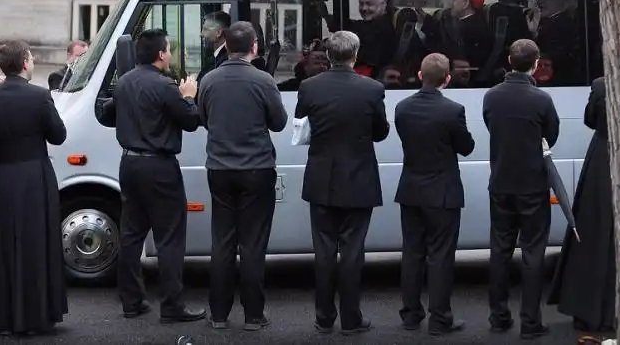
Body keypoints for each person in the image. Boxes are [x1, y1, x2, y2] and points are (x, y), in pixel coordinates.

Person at [99, 28, 206, 324]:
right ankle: (172, 306)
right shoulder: (165, 86)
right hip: (159, 167)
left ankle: (132, 301)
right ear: (161, 55)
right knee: (170, 237)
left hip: (129, 164)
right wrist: (188, 96)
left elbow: (107, 115)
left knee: (132, 235)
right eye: (169, 49)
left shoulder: (124, 83)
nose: (170, 53)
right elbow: (190, 121)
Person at [294, 30, 390, 335]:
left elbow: (301, 125)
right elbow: (380, 132)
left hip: (321, 178)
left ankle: (324, 318)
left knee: (323, 252)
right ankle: (351, 319)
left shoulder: (309, 87)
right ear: (355, 55)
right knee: (352, 252)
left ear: (328, 55)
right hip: (359, 179)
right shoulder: (372, 89)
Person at [197, 21, 288, 331]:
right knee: (252, 244)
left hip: (219, 169)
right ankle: (253, 315)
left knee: (222, 242)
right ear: (253, 47)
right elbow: (278, 123)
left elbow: (203, 119)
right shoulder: (263, 81)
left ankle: (219, 314)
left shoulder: (209, 79)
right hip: (256, 169)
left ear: (227, 44)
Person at [0, 40, 68, 335]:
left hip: (5, 175)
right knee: (37, 243)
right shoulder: (39, 95)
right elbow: (58, 136)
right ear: (25, 63)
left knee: (4, 245)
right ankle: (36, 315)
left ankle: (4, 316)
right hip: (35, 175)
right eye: (30, 57)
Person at [482, 38, 559, 340]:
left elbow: (491, 127)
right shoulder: (541, 99)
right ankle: (531, 321)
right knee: (532, 252)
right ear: (536, 63)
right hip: (532, 184)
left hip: (500, 181)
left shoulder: (491, 97)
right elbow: (550, 136)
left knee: (500, 251)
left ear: (509, 61)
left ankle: (499, 316)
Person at [393, 53, 475, 336]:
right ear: (448, 79)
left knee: (412, 254)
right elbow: (466, 147)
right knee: (440, 256)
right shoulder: (453, 110)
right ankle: (440, 319)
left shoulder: (402, 108)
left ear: (419, 75)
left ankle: (411, 315)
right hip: (442, 192)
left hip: (411, 190)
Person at [547, 76, 615, 334]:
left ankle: (589, 311)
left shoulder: (600, 85)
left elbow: (590, 120)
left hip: (602, 159)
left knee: (594, 230)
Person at [198, 11, 231, 83]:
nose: (201, 34)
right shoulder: (215, 57)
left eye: (206, 30)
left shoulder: (225, 60)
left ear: (219, 32)